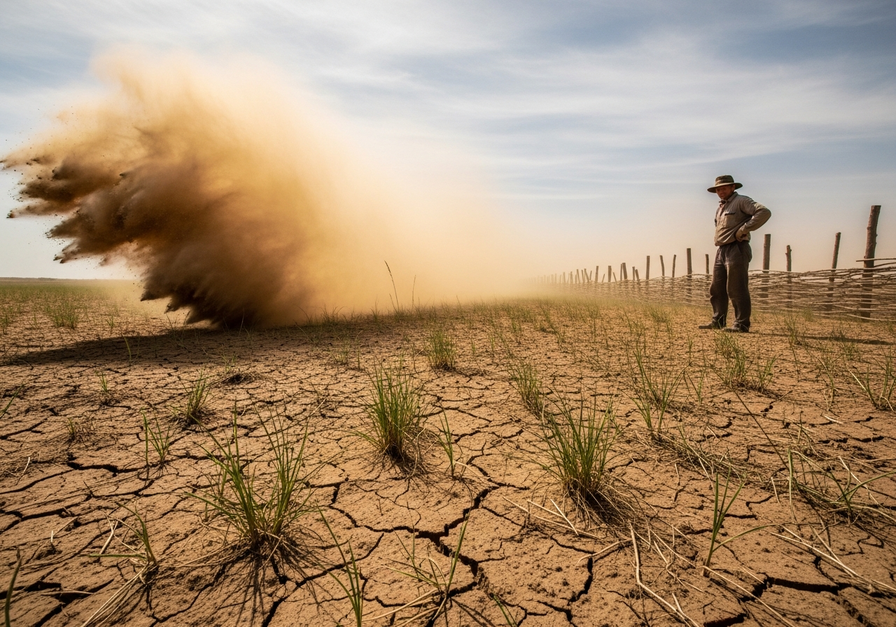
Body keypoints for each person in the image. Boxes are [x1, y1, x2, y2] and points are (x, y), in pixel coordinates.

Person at [699, 175, 771, 333]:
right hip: (722, 249)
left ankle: (741, 324)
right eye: (718, 189)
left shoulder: (742, 201)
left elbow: (763, 212)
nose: (721, 191)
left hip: (737, 248)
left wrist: (744, 229)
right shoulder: (721, 207)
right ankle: (718, 320)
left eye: (724, 188)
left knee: (736, 287)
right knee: (717, 288)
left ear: (733, 187)